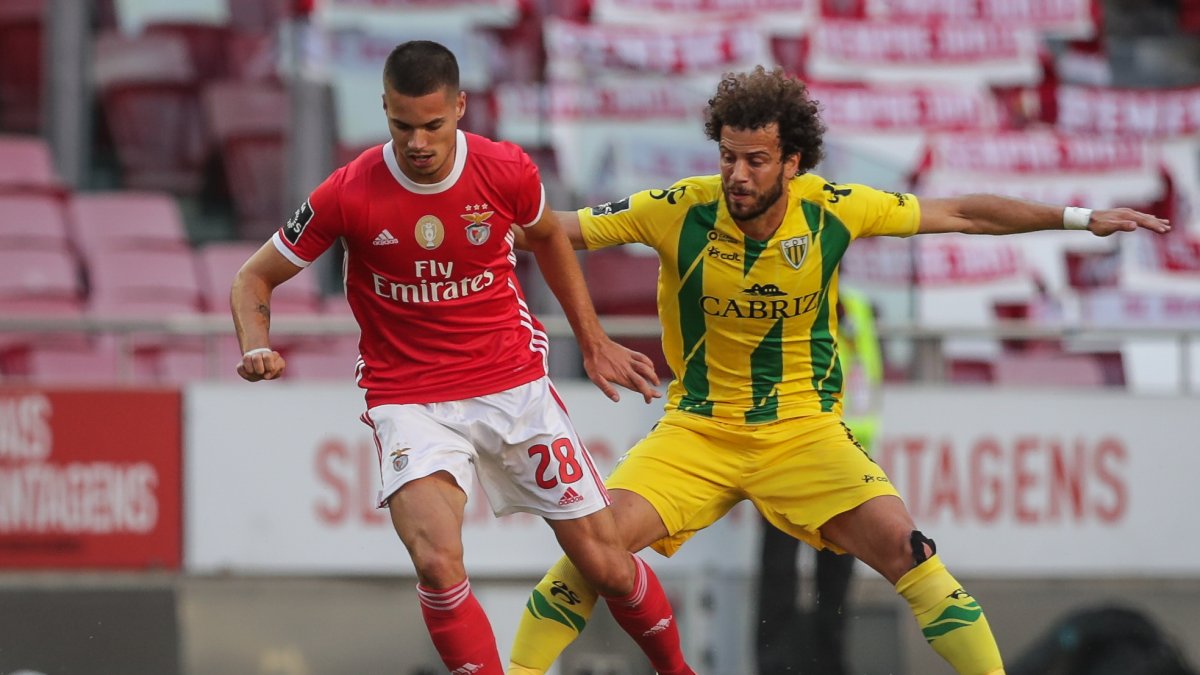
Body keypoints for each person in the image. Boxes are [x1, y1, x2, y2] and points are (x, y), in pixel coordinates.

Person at [505, 65, 1170, 675]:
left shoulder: (832, 207)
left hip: (804, 433)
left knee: (909, 548)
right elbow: (553, 227)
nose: (737, 174)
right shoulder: (679, 206)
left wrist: (1079, 219)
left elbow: (963, 212)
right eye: (728, 157)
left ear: (791, 162)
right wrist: (466, 221)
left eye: (756, 160)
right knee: (591, 554)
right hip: (697, 433)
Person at [229, 40, 694, 675]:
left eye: (432, 125)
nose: (417, 142)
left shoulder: (506, 171)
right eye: (401, 126)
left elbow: (550, 237)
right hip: (410, 400)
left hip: (513, 386)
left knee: (606, 561)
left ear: (460, 109)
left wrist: (592, 339)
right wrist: (256, 345)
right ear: (384, 109)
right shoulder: (348, 190)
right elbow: (252, 279)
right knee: (437, 561)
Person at [756, 287, 882, 675]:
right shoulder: (790, 296)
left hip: (845, 459)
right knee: (780, 569)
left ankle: (831, 665)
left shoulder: (858, 306)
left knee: (837, 573)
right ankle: (774, 666)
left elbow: (868, 378)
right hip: (789, 453)